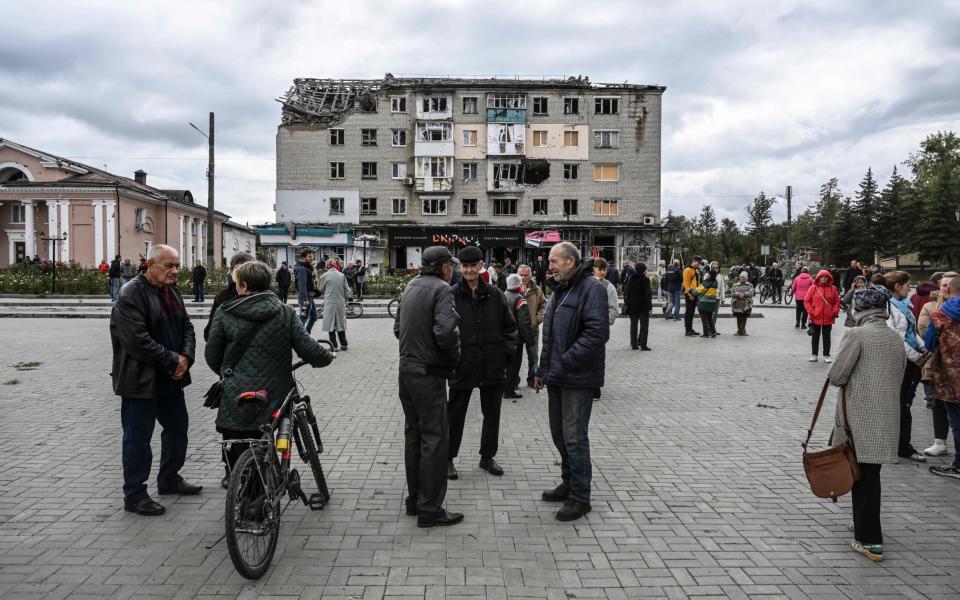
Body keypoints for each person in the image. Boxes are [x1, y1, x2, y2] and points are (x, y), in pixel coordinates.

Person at [205, 261, 334, 488]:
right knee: (272, 430)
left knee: (237, 439)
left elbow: (212, 356)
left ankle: (239, 486)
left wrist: (231, 375)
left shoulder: (225, 313)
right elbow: (307, 347)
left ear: (243, 285)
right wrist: (325, 357)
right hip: (276, 390)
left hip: (237, 392)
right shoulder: (284, 312)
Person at [109, 244, 200, 516]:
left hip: (171, 378)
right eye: (168, 266)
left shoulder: (171, 291)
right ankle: (135, 494)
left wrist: (185, 357)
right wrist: (174, 361)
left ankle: (169, 478)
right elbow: (138, 342)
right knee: (138, 439)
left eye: (177, 266)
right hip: (141, 381)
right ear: (150, 265)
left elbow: (187, 327)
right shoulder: (130, 294)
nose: (174, 272)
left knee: (178, 429)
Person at [827, 284, 906, 562]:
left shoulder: (857, 335)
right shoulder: (895, 338)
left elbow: (836, 375)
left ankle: (870, 540)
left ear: (859, 308)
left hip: (857, 418)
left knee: (861, 476)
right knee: (869, 474)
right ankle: (863, 521)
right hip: (884, 418)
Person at [534, 242, 609, 521]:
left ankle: (580, 496)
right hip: (557, 376)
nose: (549, 266)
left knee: (575, 438)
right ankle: (568, 482)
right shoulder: (560, 291)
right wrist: (542, 370)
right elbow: (550, 336)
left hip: (578, 377)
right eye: (550, 261)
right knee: (559, 434)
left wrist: (565, 360)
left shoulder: (592, 288)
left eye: (554, 261)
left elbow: (597, 333)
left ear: (571, 262)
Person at [393, 246, 463, 527]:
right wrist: (454, 359)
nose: (454, 271)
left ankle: (415, 500)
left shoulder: (411, 285)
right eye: (452, 266)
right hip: (428, 375)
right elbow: (446, 332)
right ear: (445, 267)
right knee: (434, 439)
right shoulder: (442, 289)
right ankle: (430, 509)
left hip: (406, 372)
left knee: (414, 435)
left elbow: (398, 328)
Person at [447, 246, 518, 479]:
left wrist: (505, 354)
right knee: (455, 416)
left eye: (472, 266)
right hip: (462, 366)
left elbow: (510, 328)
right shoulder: (451, 295)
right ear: (460, 267)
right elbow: (444, 331)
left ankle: (487, 457)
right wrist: (451, 360)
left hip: (492, 365)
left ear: (480, 266)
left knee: (492, 415)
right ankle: (448, 459)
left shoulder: (495, 294)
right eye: (464, 266)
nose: (468, 270)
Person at [884, 271, 930, 463]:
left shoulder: (904, 306)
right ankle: (901, 446)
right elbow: (896, 338)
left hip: (911, 361)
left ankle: (902, 444)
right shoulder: (889, 306)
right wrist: (916, 357)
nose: (910, 289)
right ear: (897, 286)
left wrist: (922, 346)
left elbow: (911, 331)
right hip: (901, 363)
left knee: (906, 404)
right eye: (907, 285)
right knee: (902, 405)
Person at [924, 276, 960, 480]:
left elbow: (929, 343)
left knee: (956, 421)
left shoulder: (942, 314)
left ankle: (959, 464)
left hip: (951, 376)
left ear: (949, 291)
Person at [204, 252, 254, 341]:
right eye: (237, 269)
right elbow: (209, 333)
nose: (241, 273)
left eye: (245, 268)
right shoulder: (222, 297)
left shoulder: (264, 295)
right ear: (230, 272)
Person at [504, 273, 534, 399]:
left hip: (503, 338)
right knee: (514, 365)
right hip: (516, 339)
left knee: (505, 364)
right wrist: (530, 340)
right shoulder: (520, 299)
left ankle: (503, 387)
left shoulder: (502, 296)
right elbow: (524, 322)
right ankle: (509, 390)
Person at [518, 264, 546, 387]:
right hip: (517, 330)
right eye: (521, 275)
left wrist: (538, 319)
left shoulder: (537, 289)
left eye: (526, 275)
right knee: (515, 359)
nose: (523, 278)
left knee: (533, 357)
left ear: (531, 275)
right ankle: (513, 382)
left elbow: (543, 305)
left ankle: (531, 380)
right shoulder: (512, 287)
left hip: (532, 329)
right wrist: (521, 293)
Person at [805, 269, 841, 362]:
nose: (824, 279)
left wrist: (835, 311)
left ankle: (826, 355)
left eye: (825, 277)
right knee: (815, 336)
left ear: (829, 278)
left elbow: (837, 301)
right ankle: (814, 354)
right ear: (818, 278)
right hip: (815, 316)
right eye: (822, 277)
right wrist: (811, 311)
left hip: (828, 316)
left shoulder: (833, 288)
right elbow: (807, 301)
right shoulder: (813, 288)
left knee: (827, 337)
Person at [317, 258, 351, 351]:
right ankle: (344, 344)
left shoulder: (324, 276)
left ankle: (334, 346)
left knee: (330, 324)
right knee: (340, 324)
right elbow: (347, 290)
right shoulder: (342, 275)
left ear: (327, 265)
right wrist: (346, 298)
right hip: (340, 303)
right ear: (336, 265)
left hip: (330, 303)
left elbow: (320, 288)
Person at [625, 262, 652, 350]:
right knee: (644, 326)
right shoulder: (646, 280)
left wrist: (627, 303)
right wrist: (650, 307)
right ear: (644, 270)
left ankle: (634, 344)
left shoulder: (630, 278)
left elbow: (626, 292)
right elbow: (648, 295)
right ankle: (643, 345)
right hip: (643, 306)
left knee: (633, 325)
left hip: (632, 306)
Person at [295, 249, 318, 334]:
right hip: (306, 297)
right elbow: (302, 285)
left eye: (312, 256)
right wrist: (305, 299)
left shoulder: (308, 268)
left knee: (314, 317)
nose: (312, 258)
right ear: (303, 257)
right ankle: (300, 338)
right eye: (309, 256)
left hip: (309, 296)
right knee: (303, 318)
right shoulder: (302, 269)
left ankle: (306, 334)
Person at [691, 271, 718, 338]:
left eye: (708, 274)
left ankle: (705, 333)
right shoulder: (715, 283)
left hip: (703, 303)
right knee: (710, 319)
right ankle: (713, 332)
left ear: (710, 276)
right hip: (712, 303)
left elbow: (696, 291)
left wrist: (690, 290)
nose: (706, 275)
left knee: (704, 319)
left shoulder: (705, 283)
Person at [593, 258, 619, 326]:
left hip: (601, 326)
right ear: (594, 269)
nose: (602, 272)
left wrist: (605, 323)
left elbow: (613, 308)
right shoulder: (586, 283)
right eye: (600, 269)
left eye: (604, 270)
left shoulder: (609, 287)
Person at [682, 256, 702, 336]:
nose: (699, 264)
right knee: (689, 312)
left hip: (695, 293)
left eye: (700, 263)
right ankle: (688, 330)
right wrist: (690, 295)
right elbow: (686, 284)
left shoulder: (695, 270)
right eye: (698, 262)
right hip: (690, 294)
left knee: (692, 312)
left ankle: (690, 328)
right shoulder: (687, 270)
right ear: (693, 261)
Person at [710, 261, 726, 335]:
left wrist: (723, 299)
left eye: (717, 267)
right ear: (711, 268)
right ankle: (709, 329)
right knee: (710, 314)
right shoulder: (708, 274)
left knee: (715, 314)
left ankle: (713, 329)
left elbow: (722, 287)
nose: (716, 269)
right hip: (710, 297)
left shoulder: (720, 276)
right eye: (714, 267)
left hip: (718, 297)